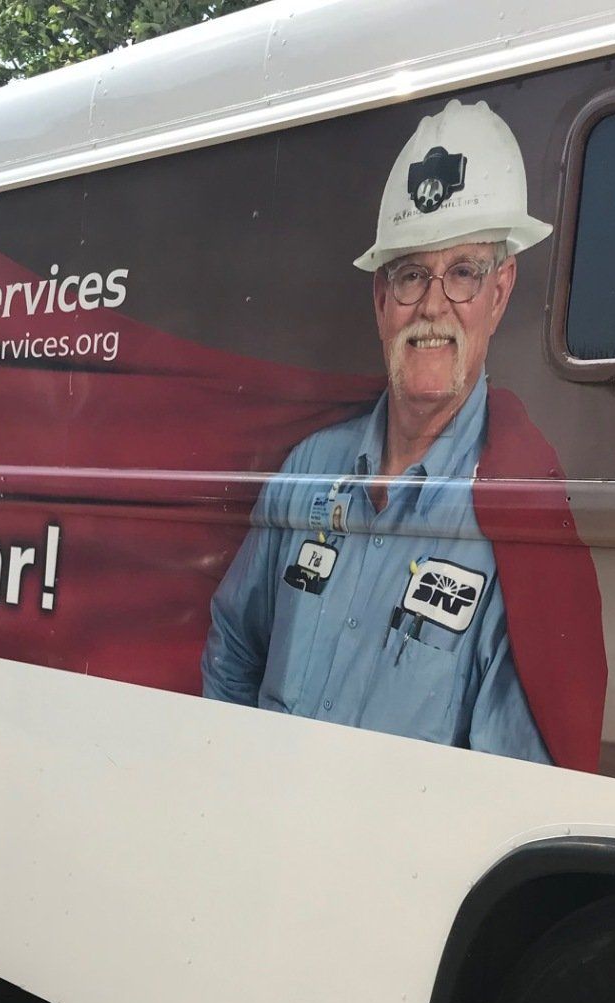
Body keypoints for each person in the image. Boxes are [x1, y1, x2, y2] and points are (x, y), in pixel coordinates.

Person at [201, 99, 561, 763]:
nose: (432, 304)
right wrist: (234, 783)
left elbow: (506, 791)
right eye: (410, 275)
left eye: (462, 274)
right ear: (380, 300)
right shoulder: (306, 471)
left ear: (501, 289)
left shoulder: (513, 527)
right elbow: (234, 643)